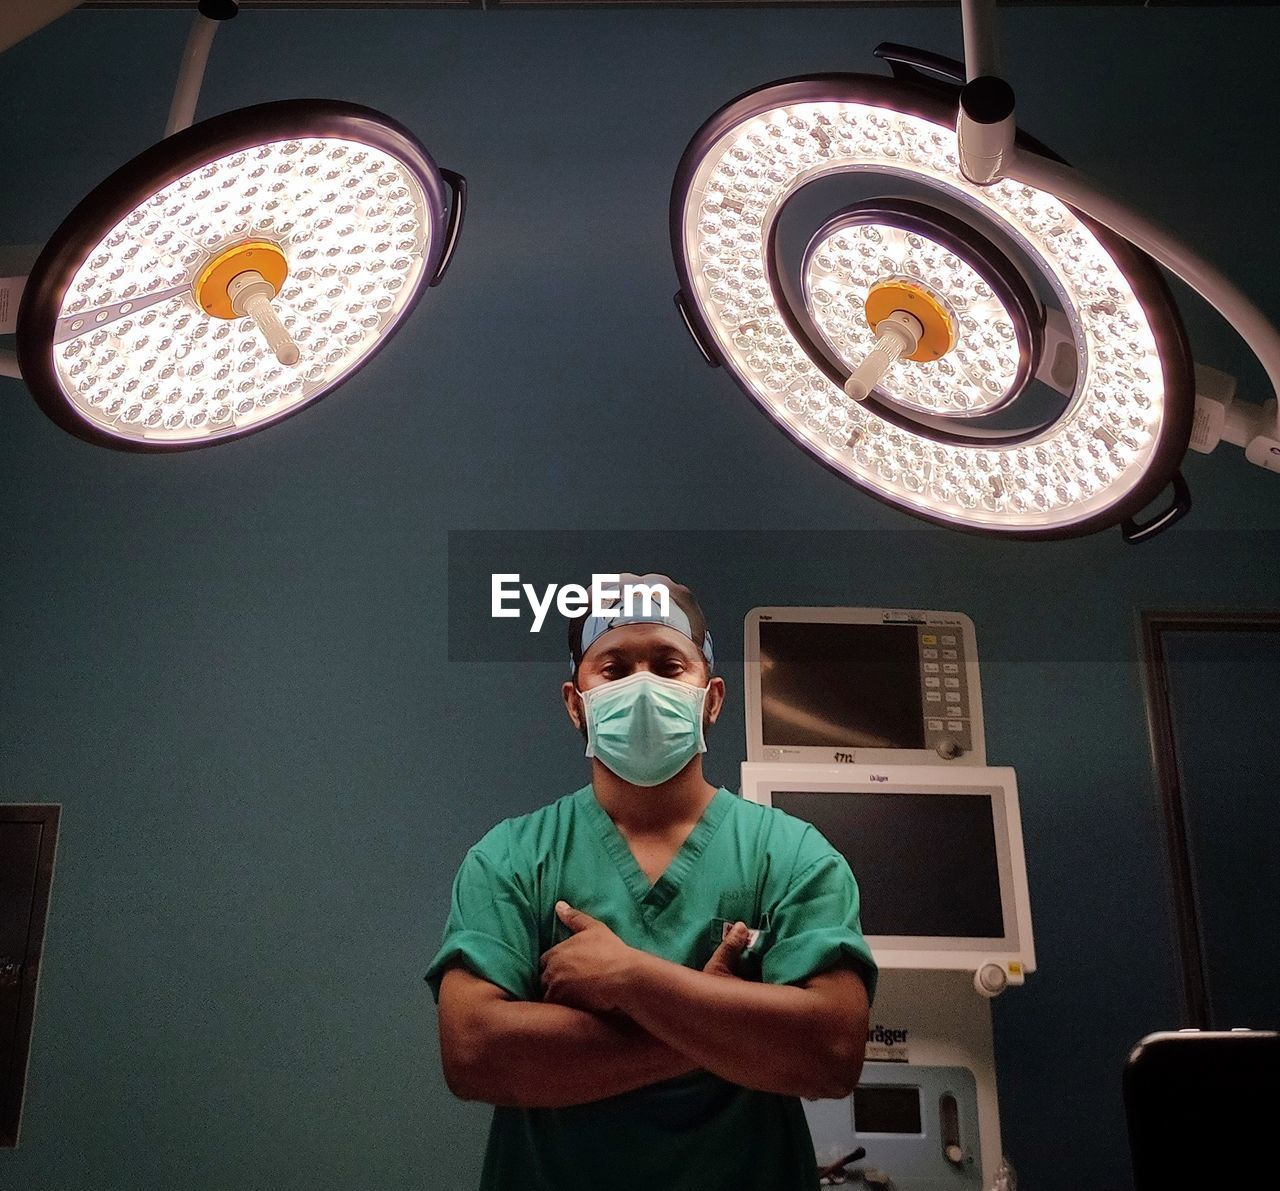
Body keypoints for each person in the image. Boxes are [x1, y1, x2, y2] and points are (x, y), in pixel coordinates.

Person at [425, 574, 878, 1191]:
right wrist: (717, 1022)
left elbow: (831, 1053)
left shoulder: (792, 856)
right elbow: (475, 1054)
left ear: (712, 698)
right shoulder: (510, 859)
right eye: (614, 668)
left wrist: (632, 980)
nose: (643, 685)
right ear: (575, 703)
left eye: (669, 666)